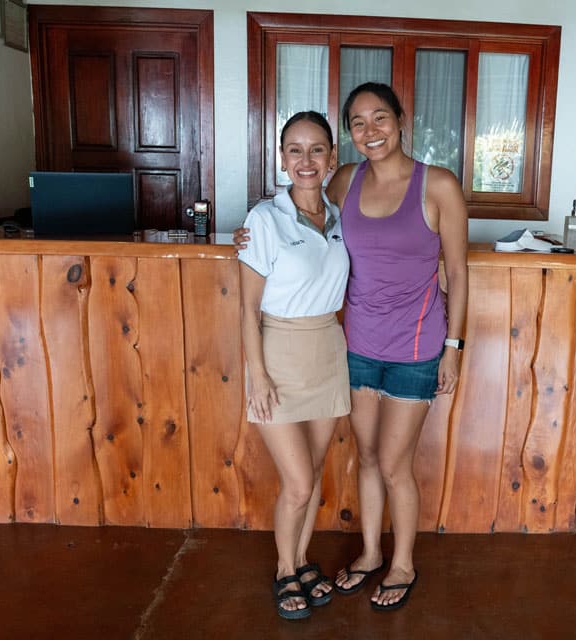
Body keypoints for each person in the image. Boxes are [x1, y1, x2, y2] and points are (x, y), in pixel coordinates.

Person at [237, 82, 468, 612]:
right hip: (357, 344)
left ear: (401, 119)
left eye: (379, 118)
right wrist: (245, 235)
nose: (371, 131)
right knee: (364, 457)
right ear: (349, 136)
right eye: (358, 122)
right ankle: (367, 554)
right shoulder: (345, 180)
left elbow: (456, 269)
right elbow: (295, 211)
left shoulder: (438, 186)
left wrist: (454, 346)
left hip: (416, 346)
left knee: (393, 463)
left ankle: (402, 563)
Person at [238, 111, 350, 620]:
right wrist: (257, 374)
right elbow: (247, 308)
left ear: (331, 157)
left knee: (316, 472)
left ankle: (303, 559)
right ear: (282, 159)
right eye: (295, 150)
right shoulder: (264, 219)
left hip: (328, 348)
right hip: (278, 354)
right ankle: (286, 570)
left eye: (317, 150)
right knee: (299, 482)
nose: (306, 161)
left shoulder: (339, 214)